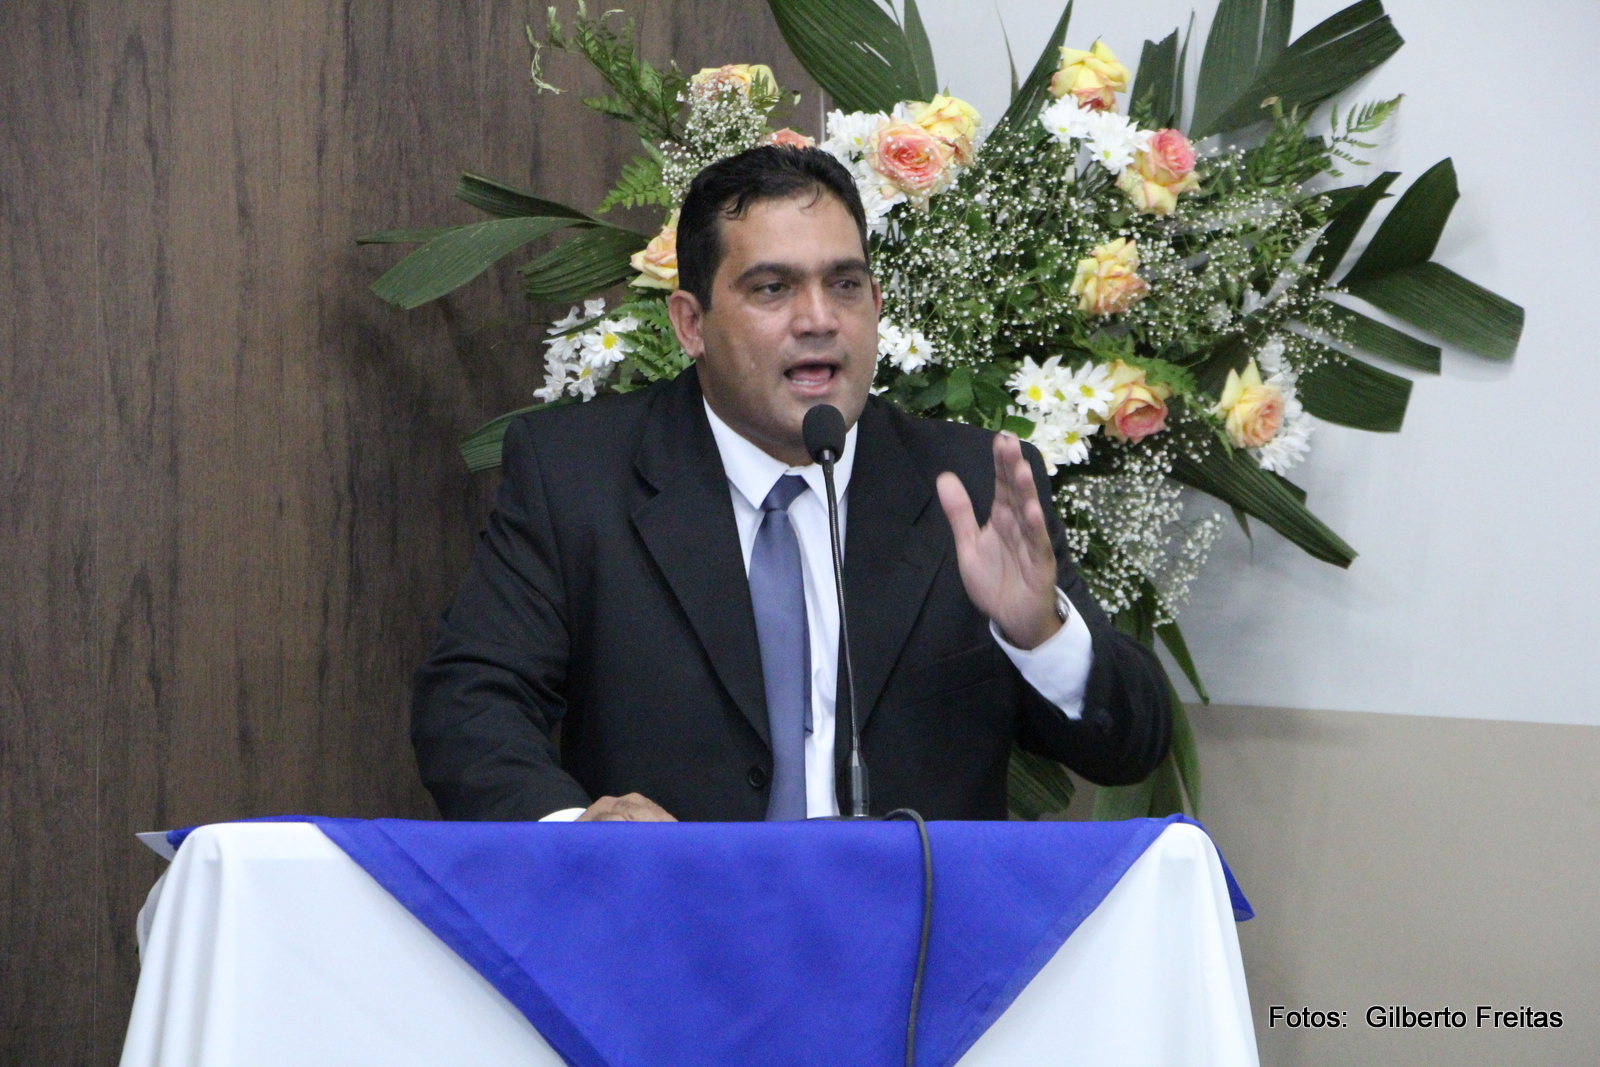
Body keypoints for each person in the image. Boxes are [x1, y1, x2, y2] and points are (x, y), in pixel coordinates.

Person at [411, 145, 1171, 823]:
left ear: (876, 305)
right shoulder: (578, 475)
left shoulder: (971, 487)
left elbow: (1131, 747)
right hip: (672, 917)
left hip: (913, 928)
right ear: (690, 324)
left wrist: (1040, 634)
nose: (818, 319)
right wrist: (579, 834)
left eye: (845, 284)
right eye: (773, 289)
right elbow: (471, 703)